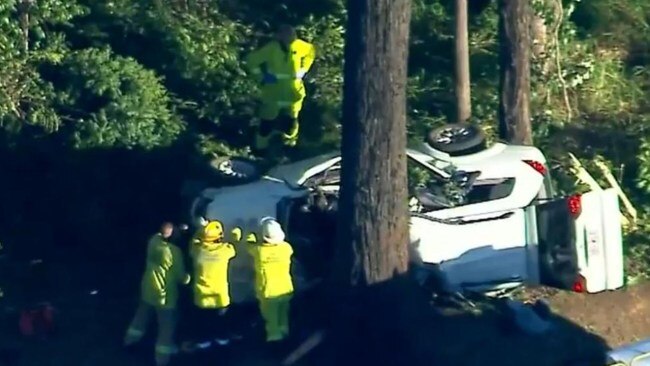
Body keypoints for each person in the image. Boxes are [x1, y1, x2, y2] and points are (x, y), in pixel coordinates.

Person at [124, 222, 190, 366]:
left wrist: (171, 230)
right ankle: (162, 359)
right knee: (166, 327)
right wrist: (189, 278)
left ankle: (130, 342)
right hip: (165, 295)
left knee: (140, 318)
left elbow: (162, 233)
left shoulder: (153, 242)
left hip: (148, 289)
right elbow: (181, 277)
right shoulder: (175, 252)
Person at [244, 24, 316, 157]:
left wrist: (303, 69)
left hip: (293, 91)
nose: (289, 38)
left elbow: (311, 52)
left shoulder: (301, 46)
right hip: (274, 92)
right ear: (279, 36)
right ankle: (260, 149)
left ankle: (289, 146)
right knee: (267, 121)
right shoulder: (271, 49)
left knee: (291, 121)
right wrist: (261, 77)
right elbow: (251, 60)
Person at [183, 220, 236, 351]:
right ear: (220, 236)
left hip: (201, 297)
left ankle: (203, 346)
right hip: (220, 297)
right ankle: (223, 348)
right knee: (220, 324)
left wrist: (201, 230)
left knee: (203, 323)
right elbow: (234, 245)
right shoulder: (225, 250)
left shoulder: (198, 251)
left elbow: (193, 242)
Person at [244, 217, 294, 342]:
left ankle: (275, 343)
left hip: (268, 292)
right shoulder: (287, 248)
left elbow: (248, 246)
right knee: (283, 315)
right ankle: (286, 336)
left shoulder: (259, 251)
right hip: (285, 289)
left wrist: (251, 235)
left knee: (271, 320)